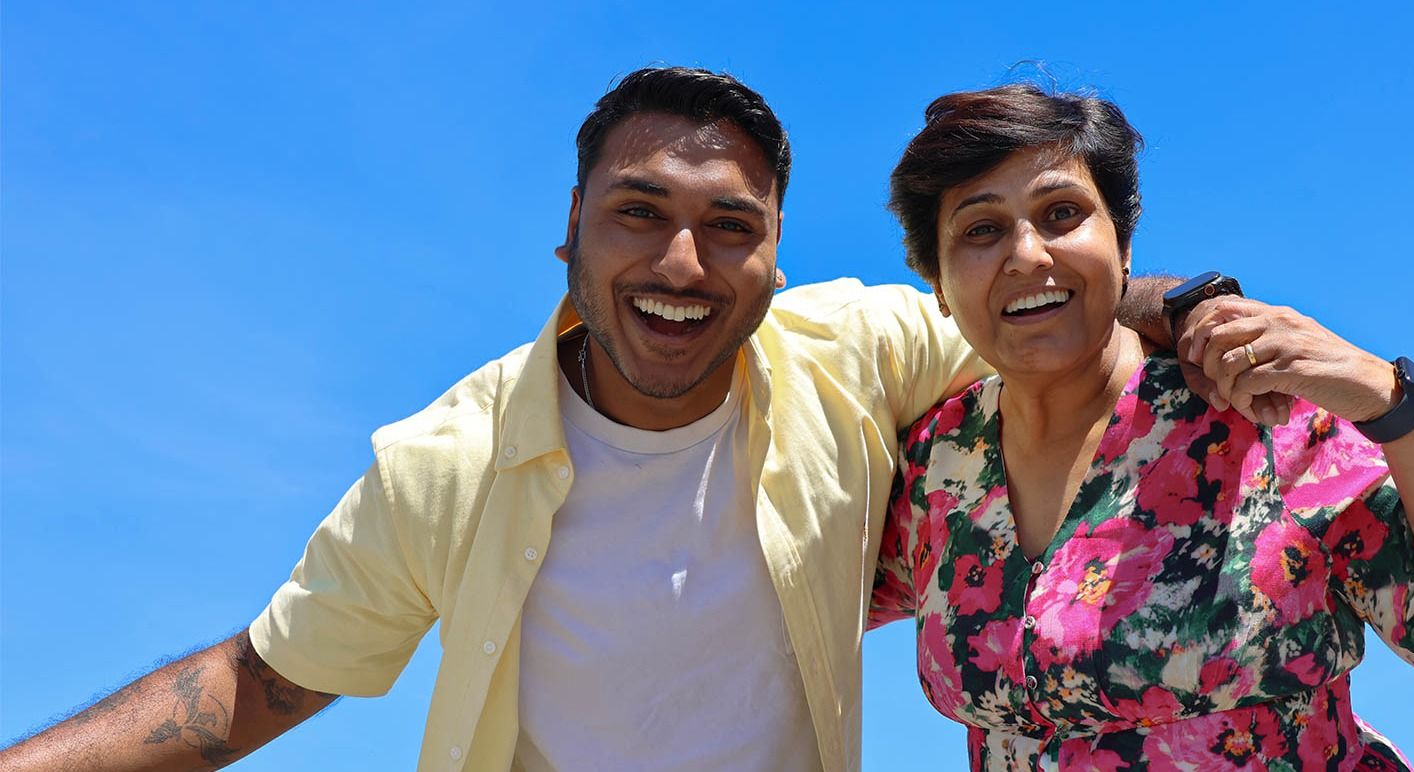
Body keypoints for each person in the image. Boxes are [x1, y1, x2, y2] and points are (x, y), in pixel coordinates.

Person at [0, 68, 1225, 771]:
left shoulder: (850, 354)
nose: (682, 263)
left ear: (775, 263)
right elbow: (256, 681)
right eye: (639, 212)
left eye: (730, 227)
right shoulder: (449, 463)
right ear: (569, 239)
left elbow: (1037, 306)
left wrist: (1196, 309)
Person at [867, 84, 1414, 771]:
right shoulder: (939, 464)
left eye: (1062, 213)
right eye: (981, 230)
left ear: (1123, 245)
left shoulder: (1258, 415)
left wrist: (1390, 399)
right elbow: (816, 591)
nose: (1027, 254)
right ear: (939, 285)